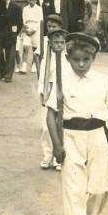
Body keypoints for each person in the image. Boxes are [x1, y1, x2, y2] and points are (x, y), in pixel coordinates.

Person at [46, 32, 108, 215]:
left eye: (86, 60)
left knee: (100, 189)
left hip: (97, 137)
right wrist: (56, 145)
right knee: (73, 191)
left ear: (93, 58)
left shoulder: (101, 80)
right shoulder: (62, 80)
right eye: (76, 60)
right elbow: (51, 115)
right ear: (67, 59)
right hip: (71, 138)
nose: (81, 64)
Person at [38, 16, 69, 171]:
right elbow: (42, 77)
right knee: (46, 126)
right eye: (56, 42)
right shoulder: (46, 58)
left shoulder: (67, 58)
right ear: (50, 43)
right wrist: (42, 94)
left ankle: (59, 156)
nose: (59, 45)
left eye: (61, 42)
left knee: (60, 125)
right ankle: (47, 154)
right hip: (49, 90)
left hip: (62, 91)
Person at [0, 0, 23, 83]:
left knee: (10, 55)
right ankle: (2, 71)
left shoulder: (16, 7)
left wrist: (14, 32)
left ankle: (8, 76)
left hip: (10, 35)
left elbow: (20, 22)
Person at [21, 0, 44, 74]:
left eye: (33, 0)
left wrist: (33, 30)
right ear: (28, 0)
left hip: (36, 29)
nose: (31, 1)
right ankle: (24, 66)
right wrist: (27, 29)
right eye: (30, 0)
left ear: (36, 0)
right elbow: (23, 19)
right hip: (27, 28)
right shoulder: (25, 9)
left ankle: (34, 65)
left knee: (35, 48)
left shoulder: (39, 9)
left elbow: (40, 20)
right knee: (25, 47)